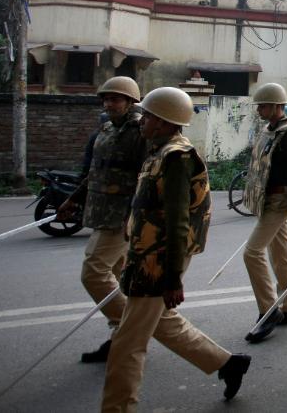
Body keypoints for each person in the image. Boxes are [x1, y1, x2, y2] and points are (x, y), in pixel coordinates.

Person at [102, 87, 250, 411]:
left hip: (159, 259)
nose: (143, 121)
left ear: (167, 122)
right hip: (147, 252)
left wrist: (172, 278)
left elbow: (177, 220)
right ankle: (227, 364)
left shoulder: (177, 158)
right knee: (161, 322)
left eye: (150, 116)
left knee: (127, 342)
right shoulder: (159, 150)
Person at [58, 77, 146, 364]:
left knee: (93, 272)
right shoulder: (107, 130)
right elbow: (94, 172)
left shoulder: (139, 133)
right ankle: (120, 335)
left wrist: (133, 218)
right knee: (120, 280)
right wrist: (73, 199)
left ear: (130, 101)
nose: (110, 103)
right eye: (106, 98)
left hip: (121, 217)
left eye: (116, 99)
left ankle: (131, 329)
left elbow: (145, 180)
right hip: (100, 211)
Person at [242, 83, 287, 343]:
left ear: (277, 106)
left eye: (264, 105)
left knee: (252, 253)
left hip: (280, 200)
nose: (260, 110)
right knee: (279, 253)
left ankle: (268, 310)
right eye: (259, 106)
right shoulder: (269, 131)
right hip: (267, 198)